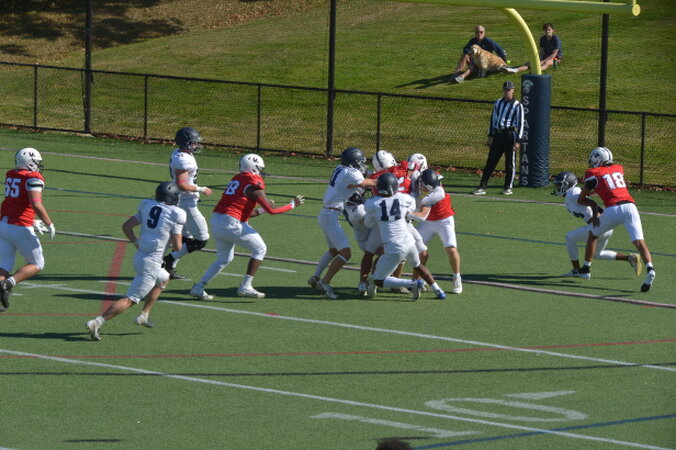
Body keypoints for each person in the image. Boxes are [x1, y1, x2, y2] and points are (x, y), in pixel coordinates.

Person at [189, 154, 304, 300]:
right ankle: (245, 286)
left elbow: (244, 212)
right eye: (260, 169)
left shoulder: (237, 179)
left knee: (224, 258)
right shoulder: (252, 184)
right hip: (230, 222)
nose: (261, 172)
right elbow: (272, 210)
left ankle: (199, 287)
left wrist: (261, 210)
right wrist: (292, 205)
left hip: (218, 220)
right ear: (254, 168)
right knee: (260, 249)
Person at [85, 182, 186, 341]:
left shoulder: (147, 205)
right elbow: (178, 246)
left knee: (164, 278)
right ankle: (97, 322)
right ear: (173, 197)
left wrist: (136, 242)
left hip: (140, 256)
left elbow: (127, 226)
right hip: (152, 262)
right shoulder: (177, 213)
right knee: (130, 299)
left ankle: (144, 315)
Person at [576, 147, 656, 292]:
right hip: (631, 207)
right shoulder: (618, 168)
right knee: (639, 242)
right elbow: (611, 185)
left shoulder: (593, 173)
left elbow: (582, 198)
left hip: (614, 209)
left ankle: (586, 268)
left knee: (593, 234)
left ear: (597, 159)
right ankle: (650, 269)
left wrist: (590, 201)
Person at [364, 172, 447, 300]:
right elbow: (410, 208)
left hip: (394, 246)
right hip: (409, 241)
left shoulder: (373, 204)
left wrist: (371, 217)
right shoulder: (404, 198)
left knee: (378, 280)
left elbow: (368, 223)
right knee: (418, 266)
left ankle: (413, 283)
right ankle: (438, 290)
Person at [309, 147, 376, 300]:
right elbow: (368, 183)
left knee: (334, 250)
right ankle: (325, 282)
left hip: (326, 213)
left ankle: (315, 277)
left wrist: (372, 173)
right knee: (346, 253)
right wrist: (387, 179)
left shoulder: (340, 168)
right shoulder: (352, 174)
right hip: (330, 215)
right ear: (353, 163)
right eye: (359, 162)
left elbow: (360, 177)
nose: (361, 165)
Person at [552, 171, 642, 277]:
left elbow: (592, 203)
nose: (558, 187)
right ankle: (630, 258)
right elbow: (588, 198)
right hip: (605, 227)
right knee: (596, 254)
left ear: (568, 184)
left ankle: (577, 270)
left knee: (570, 238)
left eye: (559, 185)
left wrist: (595, 217)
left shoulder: (572, 193)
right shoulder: (573, 193)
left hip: (598, 227)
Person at [0, 148, 55, 311]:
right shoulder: (33, 178)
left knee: (4, 264)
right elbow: (35, 203)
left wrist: (32, 220)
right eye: (36, 162)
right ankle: (8, 284)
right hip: (19, 227)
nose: (38, 165)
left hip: (3, 224)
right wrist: (49, 222)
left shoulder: (11, 175)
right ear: (30, 162)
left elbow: (17, 202)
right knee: (37, 263)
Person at [162, 127, 213, 279]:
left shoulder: (180, 154)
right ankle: (168, 260)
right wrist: (201, 189)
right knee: (201, 239)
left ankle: (169, 267)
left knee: (186, 238)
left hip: (184, 200)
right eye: (193, 142)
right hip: (186, 202)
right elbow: (182, 184)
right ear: (186, 143)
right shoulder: (182, 159)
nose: (196, 145)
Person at [413, 169, 463, 294]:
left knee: (451, 248)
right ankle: (416, 280)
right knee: (416, 248)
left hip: (443, 220)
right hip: (427, 222)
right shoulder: (420, 178)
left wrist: (419, 203)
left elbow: (437, 195)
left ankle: (457, 277)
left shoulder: (437, 189)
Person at [473, 80, 524, 196]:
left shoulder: (518, 105)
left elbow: (521, 123)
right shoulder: (498, 103)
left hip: (509, 135)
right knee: (490, 161)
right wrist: (490, 135)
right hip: (497, 135)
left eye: (509, 90)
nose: (507, 92)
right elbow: (493, 119)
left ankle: (508, 187)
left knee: (510, 163)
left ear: (513, 90)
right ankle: (482, 186)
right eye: (505, 90)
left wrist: (518, 140)